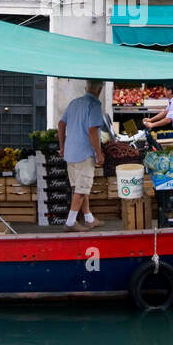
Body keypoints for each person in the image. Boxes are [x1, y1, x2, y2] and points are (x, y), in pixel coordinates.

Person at [57, 80, 106, 232]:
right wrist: (99, 153)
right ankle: (71, 222)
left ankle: (89, 219)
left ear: (86, 88)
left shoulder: (74, 103)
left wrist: (62, 147)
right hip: (85, 154)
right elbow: (92, 131)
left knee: (79, 188)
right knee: (81, 190)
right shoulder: (95, 105)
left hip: (70, 152)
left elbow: (60, 124)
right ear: (99, 90)